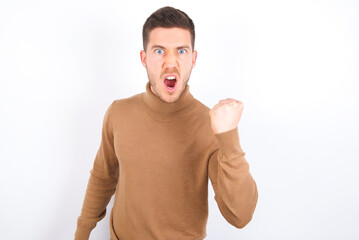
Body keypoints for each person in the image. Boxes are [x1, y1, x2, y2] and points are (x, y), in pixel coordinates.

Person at [75, 6, 258, 240]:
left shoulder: (210, 126)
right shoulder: (118, 113)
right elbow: (103, 177)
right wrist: (82, 233)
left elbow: (241, 215)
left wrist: (229, 137)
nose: (171, 62)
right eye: (159, 50)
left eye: (181, 51)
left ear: (193, 58)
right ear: (144, 58)